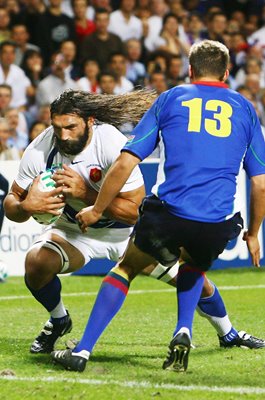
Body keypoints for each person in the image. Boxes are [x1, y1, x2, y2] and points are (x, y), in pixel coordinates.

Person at [4, 88, 264, 369]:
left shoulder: (110, 143)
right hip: (75, 230)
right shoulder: (41, 148)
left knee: (193, 281)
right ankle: (58, 320)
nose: (63, 135)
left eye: (71, 127)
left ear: (90, 121)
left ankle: (228, 333)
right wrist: (26, 207)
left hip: (128, 233)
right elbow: (12, 203)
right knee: (36, 263)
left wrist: (86, 194)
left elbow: (135, 210)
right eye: (57, 128)